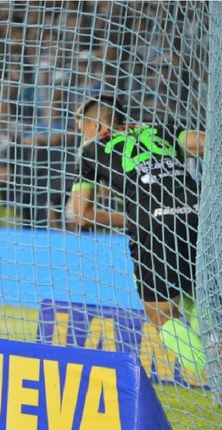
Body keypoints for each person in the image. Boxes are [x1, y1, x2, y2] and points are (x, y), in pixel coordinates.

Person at [67, 94, 207, 375]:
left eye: (80, 124)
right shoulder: (160, 130)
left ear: (94, 123)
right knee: (193, 291)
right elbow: (203, 141)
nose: (79, 131)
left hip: (152, 223)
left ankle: (217, 375)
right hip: (198, 215)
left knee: (160, 314)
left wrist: (130, 218)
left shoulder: (91, 150)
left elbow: (79, 214)